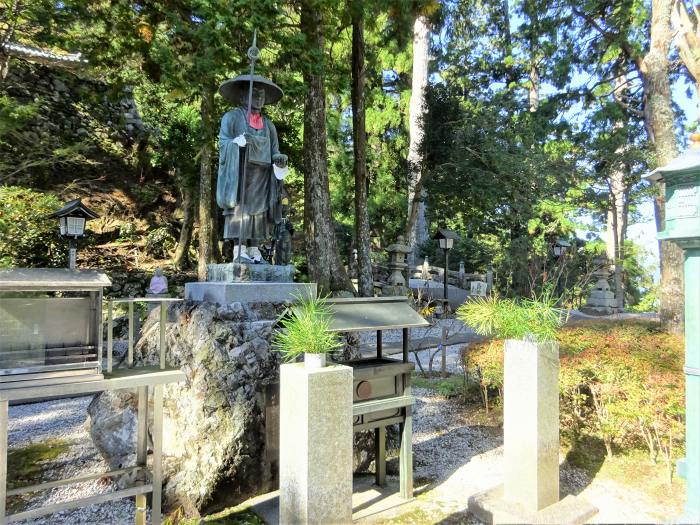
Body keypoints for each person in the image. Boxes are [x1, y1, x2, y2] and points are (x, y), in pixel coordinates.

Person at [216, 74, 288, 263]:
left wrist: (279, 160)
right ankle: (239, 250)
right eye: (254, 94)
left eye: (262, 95)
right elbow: (223, 143)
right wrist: (236, 143)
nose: (259, 98)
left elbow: (275, 151)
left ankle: (255, 250)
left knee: (260, 212)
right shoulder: (231, 118)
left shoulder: (269, 125)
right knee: (240, 210)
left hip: (262, 177)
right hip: (240, 175)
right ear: (242, 97)